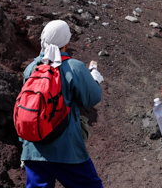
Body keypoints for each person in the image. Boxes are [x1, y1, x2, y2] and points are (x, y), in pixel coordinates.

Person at [20, 20, 104, 188]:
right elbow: (92, 98)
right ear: (66, 41)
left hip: (33, 149)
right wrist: (94, 80)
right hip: (67, 150)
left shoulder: (31, 68)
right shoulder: (74, 67)